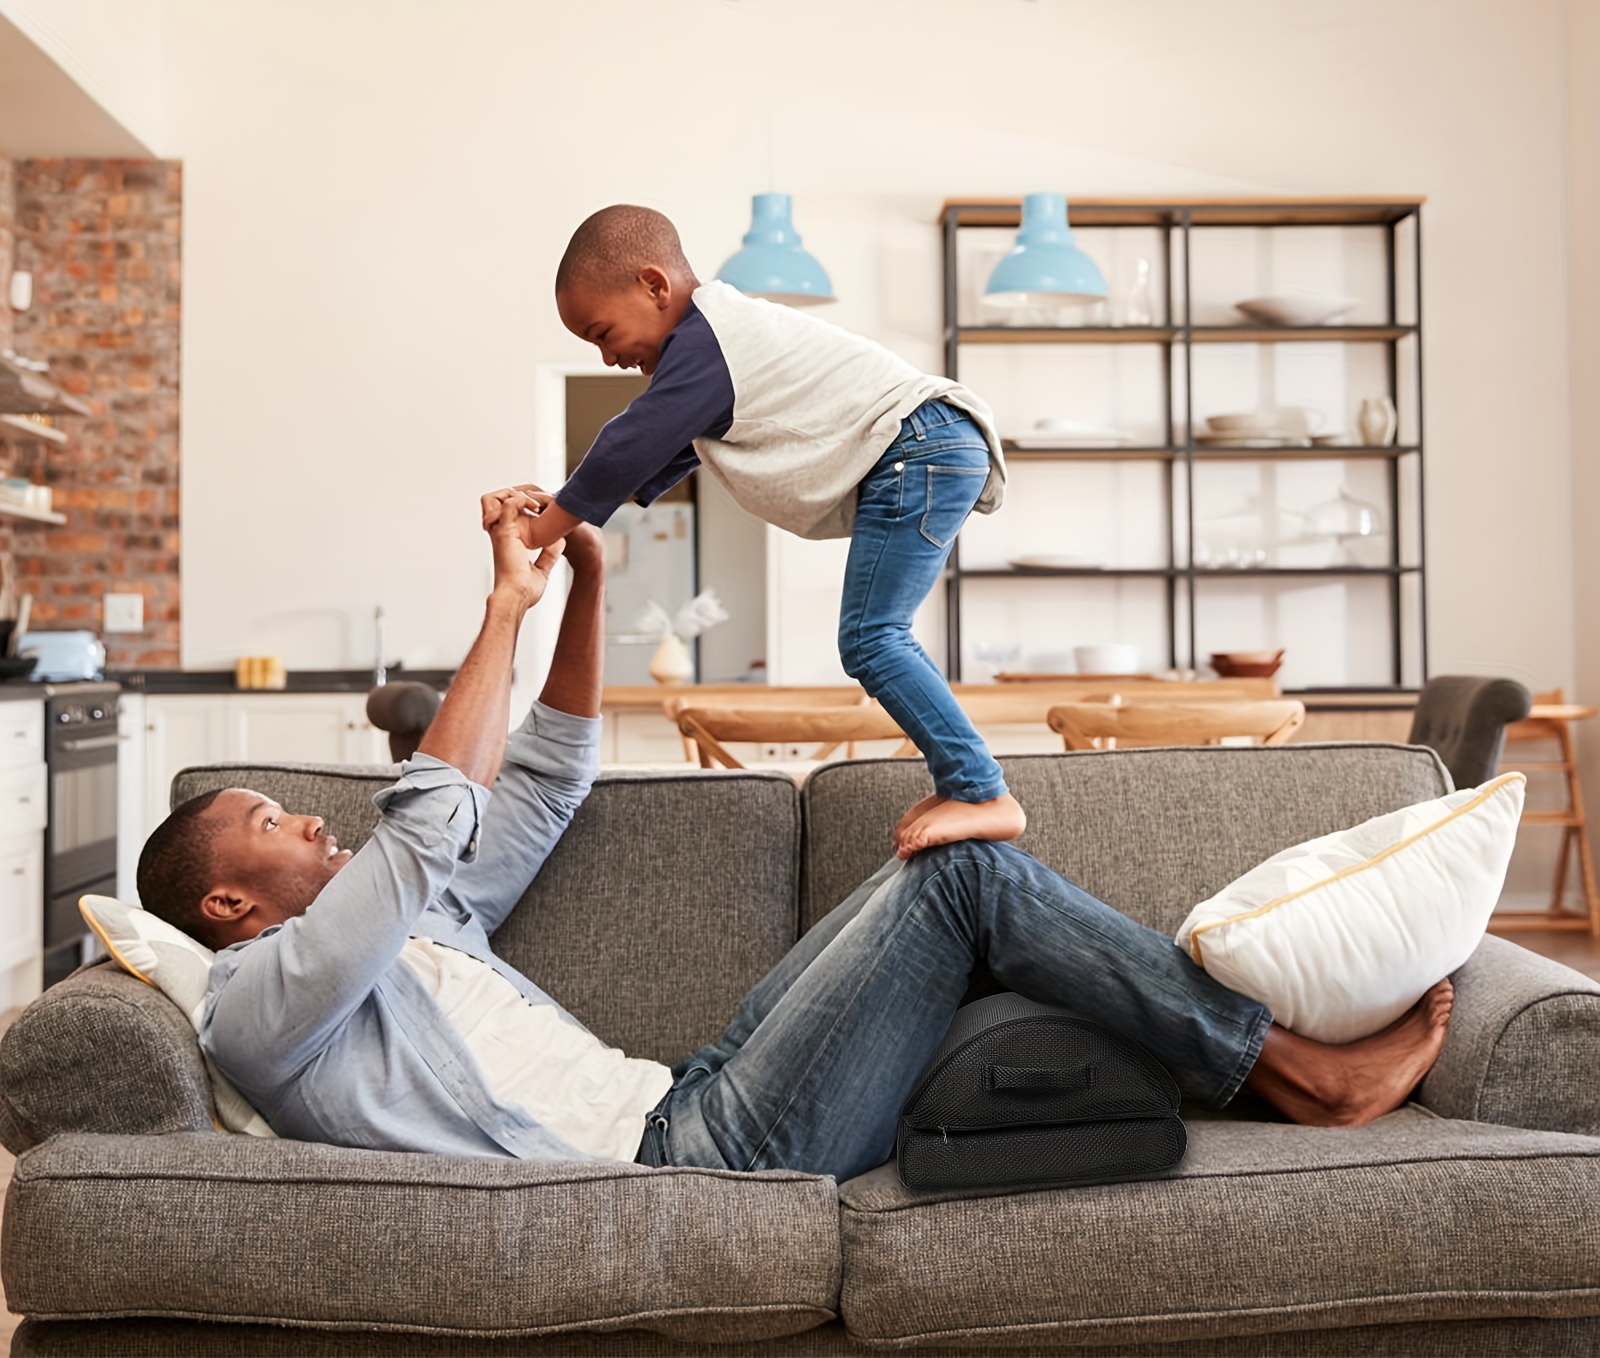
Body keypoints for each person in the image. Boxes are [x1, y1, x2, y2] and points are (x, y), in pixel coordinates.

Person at [136, 491, 1454, 1177]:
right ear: (230, 910)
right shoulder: (268, 1000)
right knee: (970, 874)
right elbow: (426, 827)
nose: (308, 816)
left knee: (951, 858)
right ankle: (1291, 1070)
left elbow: (546, 774)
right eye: (269, 822)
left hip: (688, 1088)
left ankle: (1255, 1065)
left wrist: (590, 580)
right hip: (688, 1161)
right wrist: (504, 603)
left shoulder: (410, 922)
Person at [512, 202, 1023, 862]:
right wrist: (561, 512)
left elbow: (629, 441)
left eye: (603, 332)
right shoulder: (717, 345)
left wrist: (538, 531)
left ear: (654, 285)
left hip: (919, 447)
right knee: (875, 637)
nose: (609, 357)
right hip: (929, 446)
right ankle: (965, 783)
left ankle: (983, 791)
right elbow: (665, 451)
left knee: (871, 639)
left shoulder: (710, 340)